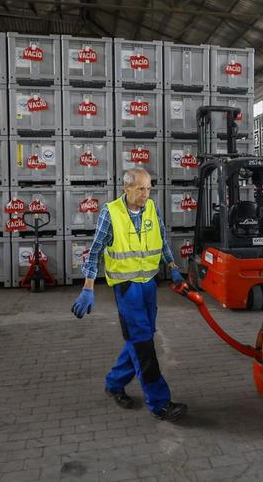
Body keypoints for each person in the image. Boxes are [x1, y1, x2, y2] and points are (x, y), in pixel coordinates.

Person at [71, 167, 188, 422]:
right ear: (126, 188)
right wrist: (87, 288)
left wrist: (173, 268)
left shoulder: (152, 209)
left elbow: (162, 241)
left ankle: (114, 383)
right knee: (144, 344)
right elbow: (94, 253)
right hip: (126, 286)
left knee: (139, 337)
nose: (145, 194)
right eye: (140, 189)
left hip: (149, 284)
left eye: (148, 188)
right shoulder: (110, 213)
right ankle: (160, 402)